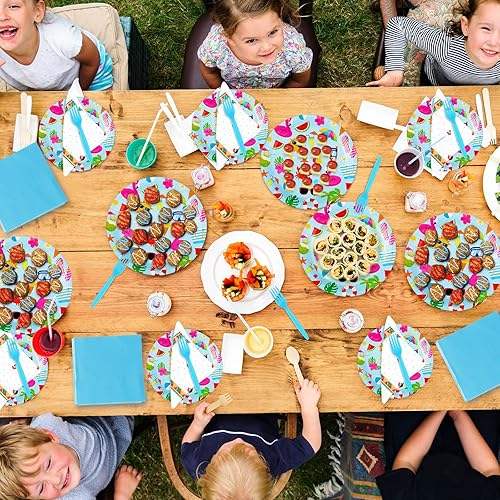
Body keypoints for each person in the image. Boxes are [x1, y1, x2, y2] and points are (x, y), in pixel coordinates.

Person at [181, 379, 321, 499]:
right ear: (266, 470)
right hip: (264, 396)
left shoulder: (198, 465)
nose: (238, 440)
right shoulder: (274, 460)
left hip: (216, 397)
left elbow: (187, 444)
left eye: (227, 450)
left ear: (210, 465)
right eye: (251, 452)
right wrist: (309, 408)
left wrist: (197, 425)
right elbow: (311, 444)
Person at [0, 413, 142, 499]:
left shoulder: (46, 425)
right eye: (41, 488)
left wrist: (22, 417)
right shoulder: (77, 497)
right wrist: (122, 494)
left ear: (50, 436)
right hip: (121, 433)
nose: (56, 480)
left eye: (48, 464)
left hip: (100, 409)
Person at [367, 0, 500, 86]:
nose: (494, 42)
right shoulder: (445, 47)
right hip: (435, 86)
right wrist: (394, 71)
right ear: (466, 26)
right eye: (486, 28)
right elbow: (397, 25)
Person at [376, 410, 500, 499]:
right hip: (472, 455)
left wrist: (441, 409)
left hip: (417, 453)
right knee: (486, 400)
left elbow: (406, 461)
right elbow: (488, 470)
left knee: (405, 401)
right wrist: (458, 414)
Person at [197, 0, 313, 89]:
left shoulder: (293, 48)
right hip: (234, 94)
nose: (267, 47)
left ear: (280, 18)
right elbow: (209, 72)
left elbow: (299, 80)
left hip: (276, 91)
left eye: (272, 32)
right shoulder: (216, 46)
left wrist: (279, 100)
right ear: (229, 38)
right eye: (251, 40)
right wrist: (226, 96)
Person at [0, 0, 113, 91]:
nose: (2, 17)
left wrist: (78, 93)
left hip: (91, 72)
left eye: (13, 6)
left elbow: (92, 59)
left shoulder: (64, 38)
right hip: (49, 83)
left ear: (37, 11)